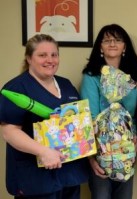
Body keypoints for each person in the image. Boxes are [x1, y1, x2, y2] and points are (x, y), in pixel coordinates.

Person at [0, 34, 89, 199]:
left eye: (54, 55)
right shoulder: (16, 88)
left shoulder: (66, 85)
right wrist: (42, 151)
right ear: (29, 58)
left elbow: (76, 122)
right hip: (35, 178)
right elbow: (9, 132)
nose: (50, 60)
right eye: (42, 55)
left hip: (69, 174)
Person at [80, 24, 137, 199]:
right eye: (107, 40)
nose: (112, 43)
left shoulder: (134, 78)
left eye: (118, 40)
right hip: (101, 151)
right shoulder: (91, 76)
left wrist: (134, 138)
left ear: (125, 46)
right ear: (100, 46)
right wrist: (91, 158)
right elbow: (89, 117)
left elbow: (135, 115)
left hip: (127, 149)